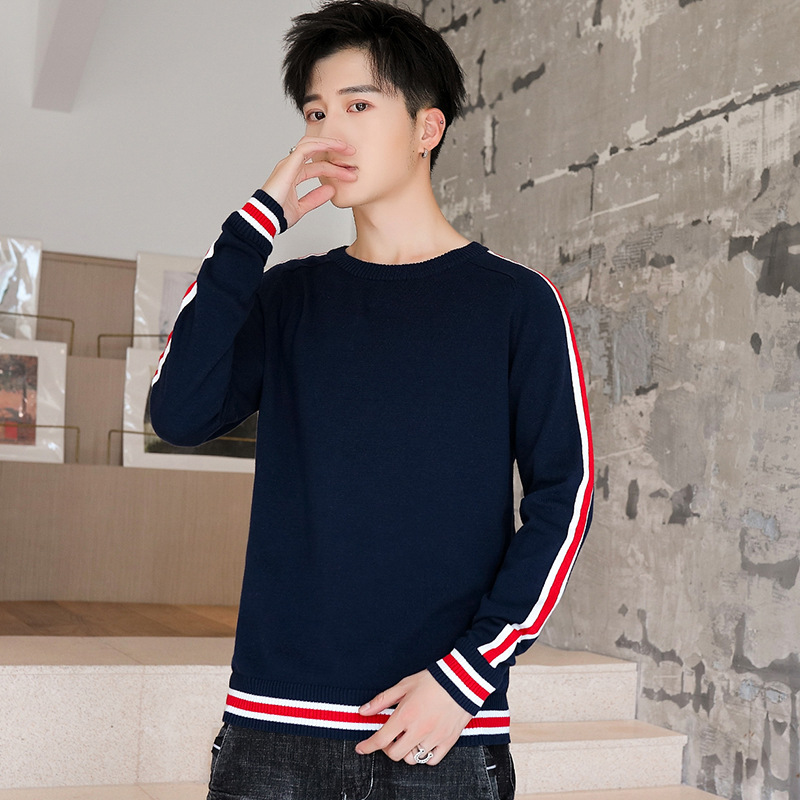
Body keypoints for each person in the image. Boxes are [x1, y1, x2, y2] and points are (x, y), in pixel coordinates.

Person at [149, 1, 593, 798]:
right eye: (316, 112)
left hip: (439, 729)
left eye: (358, 106)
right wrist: (254, 228)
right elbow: (179, 414)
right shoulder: (286, 298)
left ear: (428, 127)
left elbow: (567, 495)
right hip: (273, 729)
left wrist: (468, 674)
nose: (330, 133)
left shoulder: (517, 304)